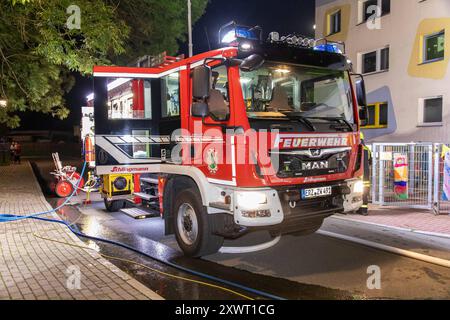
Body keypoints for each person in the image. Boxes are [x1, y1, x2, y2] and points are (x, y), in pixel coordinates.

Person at [357, 132, 371, 216]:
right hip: (366, 176)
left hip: (358, 175)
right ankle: (364, 210)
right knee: (365, 193)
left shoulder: (355, 149)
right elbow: (370, 161)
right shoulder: (367, 149)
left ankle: (358, 208)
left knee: (357, 193)